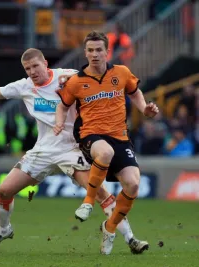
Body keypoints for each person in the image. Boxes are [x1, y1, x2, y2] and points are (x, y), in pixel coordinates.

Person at [0, 48, 148, 254]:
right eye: (27, 68)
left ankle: (131, 239)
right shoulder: (24, 87)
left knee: (100, 193)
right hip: (44, 150)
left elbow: (95, 83)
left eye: (35, 66)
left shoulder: (68, 77)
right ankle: (4, 230)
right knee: (4, 191)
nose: (32, 71)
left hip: (72, 148)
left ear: (45, 63)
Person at [54, 31, 159, 255]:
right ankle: (88, 202)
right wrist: (59, 123)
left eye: (98, 50)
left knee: (132, 184)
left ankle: (109, 228)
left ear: (107, 51)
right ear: (85, 53)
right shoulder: (76, 81)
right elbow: (63, 105)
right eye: (90, 50)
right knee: (105, 152)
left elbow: (135, 92)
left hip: (120, 136)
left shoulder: (121, 72)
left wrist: (145, 109)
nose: (94, 54)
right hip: (90, 135)